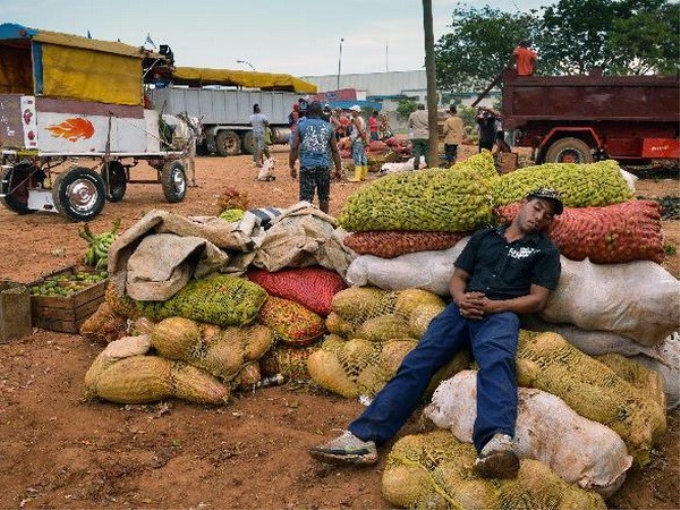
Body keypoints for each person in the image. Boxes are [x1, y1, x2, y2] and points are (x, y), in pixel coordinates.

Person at [309, 187, 564, 480]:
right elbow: (458, 278)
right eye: (537, 207)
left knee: (497, 363)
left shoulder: (545, 250)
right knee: (419, 360)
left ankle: (496, 444)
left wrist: (496, 306)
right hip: (461, 308)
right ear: (522, 205)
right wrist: (459, 299)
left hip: (501, 313)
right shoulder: (484, 238)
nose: (539, 216)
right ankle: (362, 438)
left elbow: (537, 299)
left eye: (547, 215)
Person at [289, 101, 343, 214]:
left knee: (305, 200)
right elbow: (334, 150)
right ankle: (325, 224)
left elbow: (294, 147)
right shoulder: (328, 127)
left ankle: (304, 224)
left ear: (308, 111)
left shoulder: (301, 125)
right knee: (324, 199)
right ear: (320, 112)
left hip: (307, 166)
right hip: (324, 167)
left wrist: (292, 166)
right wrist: (338, 169)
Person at [347, 105, 369, 182]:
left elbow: (360, 130)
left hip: (358, 140)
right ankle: (364, 175)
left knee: (357, 157)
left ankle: (357, 177)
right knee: (363, 157)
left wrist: (356, 139)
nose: (351, 112)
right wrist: (365, 140)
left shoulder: (356, 120)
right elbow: (364, 131)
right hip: (361, 140)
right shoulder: (362, 119)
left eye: (352, 110)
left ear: (356, 111)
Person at [408, 103, 430, 170]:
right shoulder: (428, 114)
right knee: (427, 152)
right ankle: (429, 165)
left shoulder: (413, 114)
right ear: (424, 108)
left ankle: (416, 166)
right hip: (426, 135)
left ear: (418, 108)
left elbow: (410, 125)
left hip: (416, 136)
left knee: (417, 151)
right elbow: (431, 124)